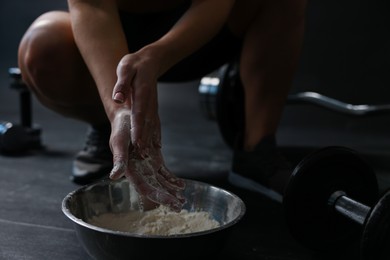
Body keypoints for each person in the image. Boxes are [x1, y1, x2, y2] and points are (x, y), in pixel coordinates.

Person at [17, 0, 307, 211]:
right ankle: (106, 127)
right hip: (112, 31)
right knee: (41, 46)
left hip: (201, 31)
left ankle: (256, 150)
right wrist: (120, 108)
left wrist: (160, 54)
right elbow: (92, 6)